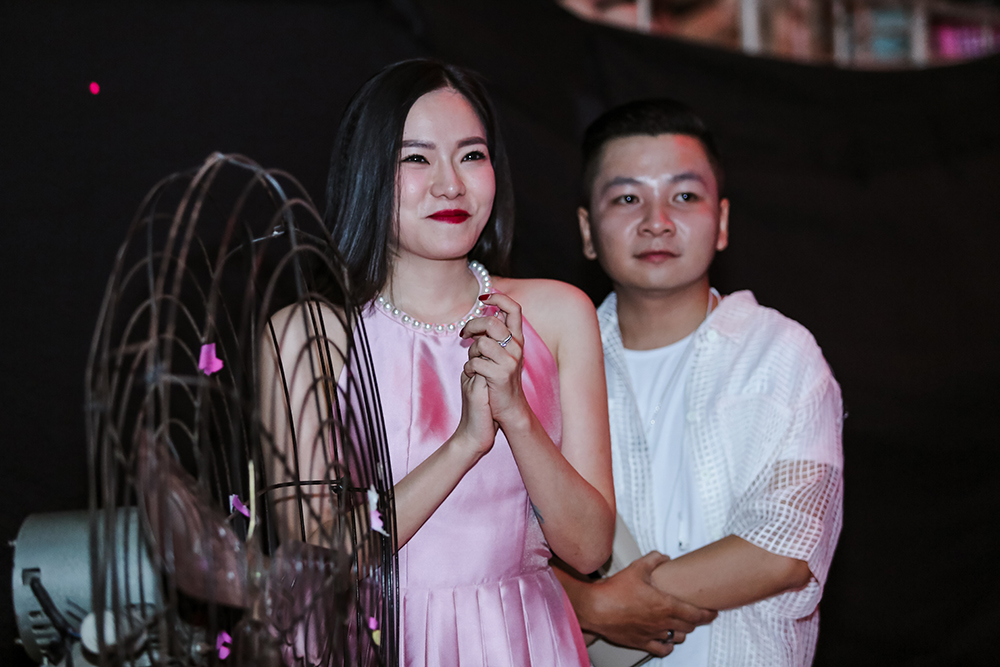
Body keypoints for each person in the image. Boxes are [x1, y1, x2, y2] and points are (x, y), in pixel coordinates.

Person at [264, 59, 616, 666]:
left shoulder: (556, 314)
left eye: (471, 155)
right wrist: (465, 444)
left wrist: (517, 416)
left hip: (518, 642)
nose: (450, 184)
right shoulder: (309, 334)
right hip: (371, 643)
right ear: (368, 172)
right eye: (416, 159)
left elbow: (588, 549)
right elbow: (324, 556)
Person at [555, 99, 844, 666]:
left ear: (723, 222)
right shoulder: (550, 361)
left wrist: (598, 606)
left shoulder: (780, 353)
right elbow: (498, 543)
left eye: (684, 196)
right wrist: (581, 605)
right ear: (588, 230)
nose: (656, 221)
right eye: (627, 198)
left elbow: (786, 546)